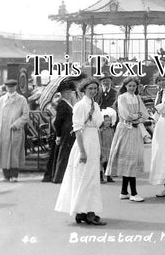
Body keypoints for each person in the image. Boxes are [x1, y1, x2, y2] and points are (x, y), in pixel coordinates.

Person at [55, 77, 106, 225]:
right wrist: (83, 152)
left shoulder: (95, 105)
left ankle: (86, 211)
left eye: (95, 89)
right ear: (83, 90)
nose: (93, 91)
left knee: (92, 178)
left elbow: (97, 128)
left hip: (94, 141)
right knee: (83, 177)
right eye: (90, 88)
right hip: (83, 142)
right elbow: (77, 129)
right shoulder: (79, 106)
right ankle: (85, 213)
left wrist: (100, 149)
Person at [106, 76, 149, 202]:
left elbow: (145, 114)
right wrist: (137, 116)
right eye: (129, 86)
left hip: (135, 130)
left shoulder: (137, 97)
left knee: (132, 159)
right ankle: (133, 193)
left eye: (134, 86)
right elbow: (125, 115)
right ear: (125, 86)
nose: (131, 88)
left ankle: (124, 191)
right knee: (128, 159)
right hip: (125, 130)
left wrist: (138, 118)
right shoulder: (122, 97)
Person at [0, 79, 29, 182]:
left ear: (15, 87)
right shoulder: (2, 99)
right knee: (3, 151)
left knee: (14, 152)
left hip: (15, 130)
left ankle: (14, 175)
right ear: (6, 87)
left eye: (12, 86)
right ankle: (6, 175)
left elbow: (25, 115)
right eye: (8, 87)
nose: (10, 89)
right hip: (3, 130)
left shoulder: (21, 99)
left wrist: (16, 124)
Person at [51, 81, 76, 183]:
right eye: (66, 93)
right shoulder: (62, 103)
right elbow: (58, 121)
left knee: (67, 153)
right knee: (64, 154)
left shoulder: (69, 103)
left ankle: (65, 176)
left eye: (70, 92)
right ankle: (59, 177)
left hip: (70, 130)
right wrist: (58, 135)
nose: (69, 94)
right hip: (65, 131)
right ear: (62, 94)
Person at [99, 108, 116, 183]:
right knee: (101, 163)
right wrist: (100, 148)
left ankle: (109, 176)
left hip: (109, 148)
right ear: (103, 121)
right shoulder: (100, 131)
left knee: (108, 163)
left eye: (109, 120)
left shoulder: (111, 130)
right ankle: (100, 177)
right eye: (106, 121)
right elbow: (100, 139)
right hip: (103, 148)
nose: (108, 122)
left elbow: (113, 139)